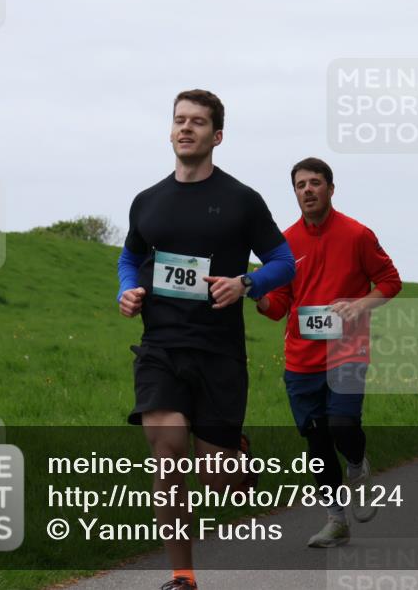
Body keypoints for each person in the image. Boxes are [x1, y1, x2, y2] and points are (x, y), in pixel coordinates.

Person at [117, 89, 296, 590]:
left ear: (216, 135)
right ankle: (182, 576)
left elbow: (283, 262)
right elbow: (130, 258)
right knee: (167, 447)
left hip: (219, 352)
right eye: (179, 120)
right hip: (160, 347)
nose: (186, 128)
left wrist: (246, 283)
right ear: (170, 130)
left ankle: (238, 460)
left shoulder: (241, 200)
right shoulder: (148, 201)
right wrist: (127, 290)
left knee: (220, 482)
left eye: (197, 122)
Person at [257, 158, 402, 548]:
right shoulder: (284, 244)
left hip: (347, 351)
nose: (307, 190)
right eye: (300, 185)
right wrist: (256, 297)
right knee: (318, 443)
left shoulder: (357, 234)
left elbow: (390, 282)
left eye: (315, 183)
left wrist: (359, 305)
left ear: (330, 189)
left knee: (342, 426)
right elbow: (278, 305)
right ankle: (336, 519)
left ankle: (357, 463)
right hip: (300, 360)